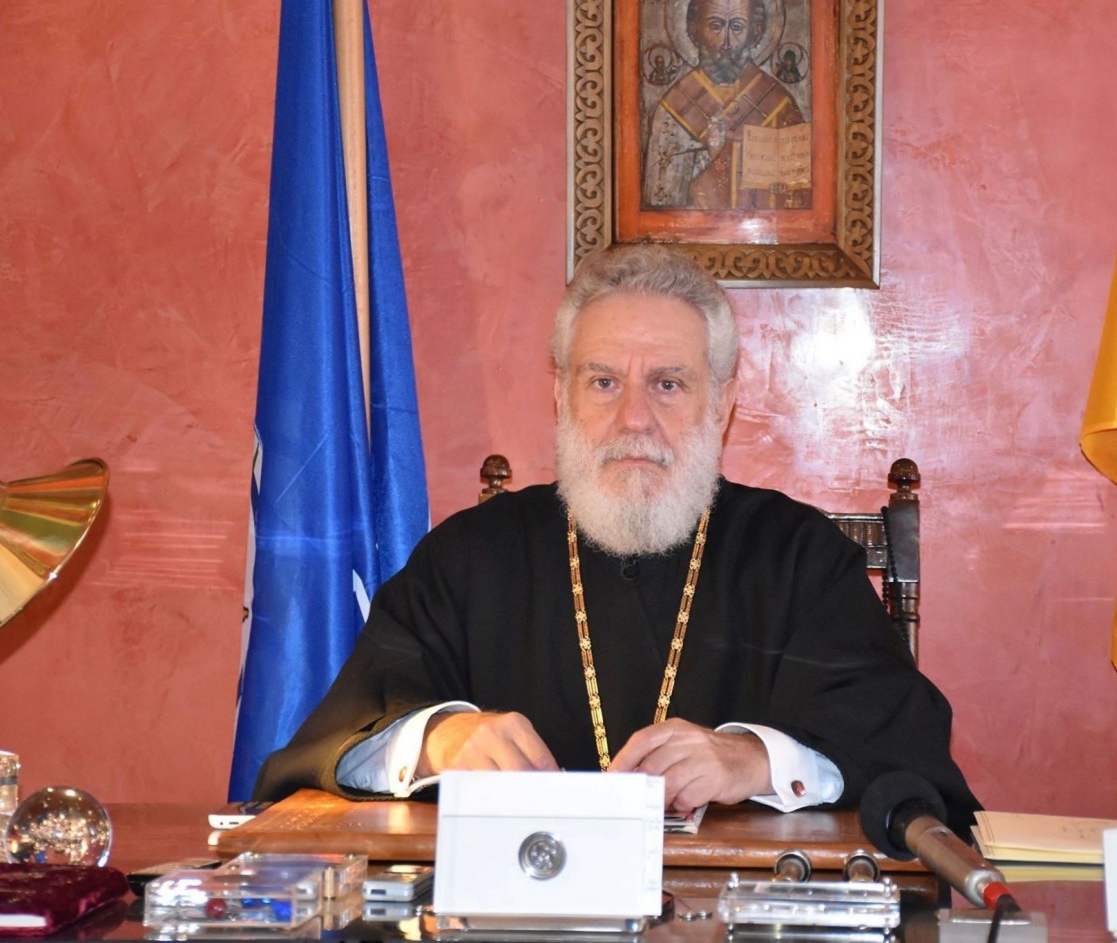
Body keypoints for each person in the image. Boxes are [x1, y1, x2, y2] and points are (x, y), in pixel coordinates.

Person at [253, 244, 979, 834]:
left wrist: (753, 758)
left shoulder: (799, 557)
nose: (634, 418)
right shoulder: (470, 556)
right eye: (603, 382)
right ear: (560, 393)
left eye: (668, 384)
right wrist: (437, 740)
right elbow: (343, 734)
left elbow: (901, 734)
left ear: (722, 403)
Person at [642, 0, 812, 210]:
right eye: (716, 26)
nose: (727, 43)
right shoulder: (673, 108)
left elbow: (798, 195)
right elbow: (659, 199)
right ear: (694, 30)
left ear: (756, 32)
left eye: (737, 27)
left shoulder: (780, 105)